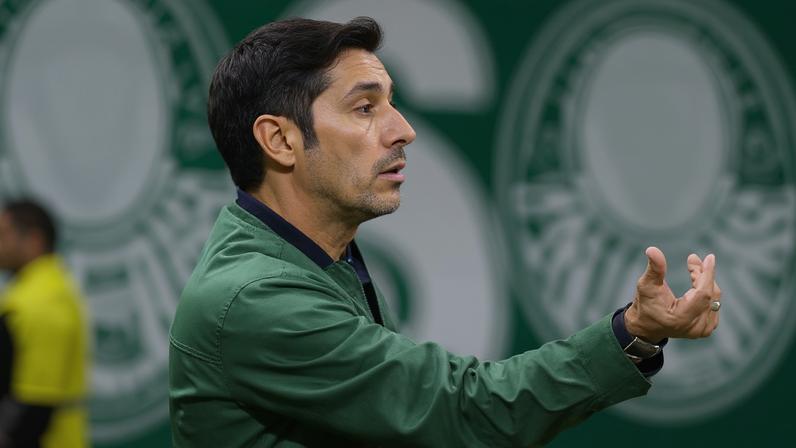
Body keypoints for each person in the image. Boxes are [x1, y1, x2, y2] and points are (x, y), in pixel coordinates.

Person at [169, 17, 722, 447]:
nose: (403, 130)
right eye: (365, 107)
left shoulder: (318, 261)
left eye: (391, 102)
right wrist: (632, 331)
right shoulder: (256, 299)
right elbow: (464, 411)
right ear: (280, 141)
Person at [0, 200, 90, 448]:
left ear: (34, 240)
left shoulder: (41, 303)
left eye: (4, 235)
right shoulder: (34, 293)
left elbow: (34, 407)